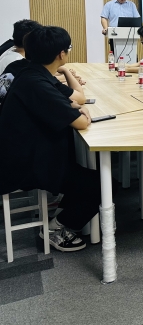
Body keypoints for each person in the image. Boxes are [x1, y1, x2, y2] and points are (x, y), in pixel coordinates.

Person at [0, 26, 99, 251]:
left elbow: (72, 102)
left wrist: (75, 107)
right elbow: (81, 121)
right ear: (61, 54)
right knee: (100, 184)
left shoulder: (31, 72)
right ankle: (56, 230)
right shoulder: (36, 83)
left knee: (86, 175)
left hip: (24, 152)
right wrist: (80, 111)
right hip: (24, 164)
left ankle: (62, 215)